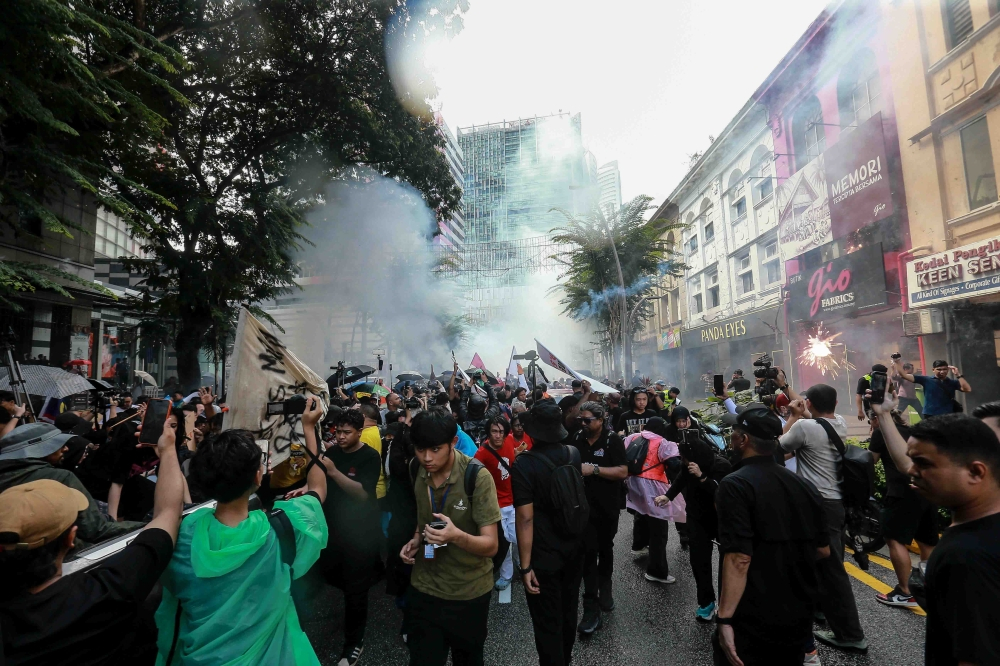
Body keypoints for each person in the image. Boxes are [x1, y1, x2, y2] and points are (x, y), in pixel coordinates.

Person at [155, 397, 329, 665]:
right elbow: (318, 489)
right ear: (259, 477)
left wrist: (167, 453)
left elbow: (165, 512)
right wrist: (308, 427)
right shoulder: (281, 528)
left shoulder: (184, 533)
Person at [0, 414, 183, 664]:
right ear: (70, 538)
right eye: (57, 444)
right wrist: (168, 451)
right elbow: (166, 516)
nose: (65, 448)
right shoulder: (106, 591)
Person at [870, 405, 1000, 666]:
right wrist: (884, 415)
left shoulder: (965, 557)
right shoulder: (975, 529)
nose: (912, 471)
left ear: (977, 471)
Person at [714, 407, 830, 666]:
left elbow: (739, 559)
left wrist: (724, 618)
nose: (731, 436)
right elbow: (823, 551)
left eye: (734, 432)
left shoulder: (734, 485)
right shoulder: (805, 486)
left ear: (743, 440)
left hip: (753, 614)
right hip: (797, 614)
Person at [400, 409, 500, 666]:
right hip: (425, 588)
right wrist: (416, 540)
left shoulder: (476, 477)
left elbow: (491, 545)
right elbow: (423, 518)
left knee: (468, 659)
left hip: (468, 593)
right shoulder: (415, 468)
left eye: (435, 449)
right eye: (420, 449)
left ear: (453, 443)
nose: (427, 458)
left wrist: (455, 536)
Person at [779, 385, 867, 654]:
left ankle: (851, 634)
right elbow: (815, 418)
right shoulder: (838, 422)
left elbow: (778, 447)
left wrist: (793, 416)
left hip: (818, 506)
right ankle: (819, 610)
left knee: (832, 570)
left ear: (808, 403)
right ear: (837, 401)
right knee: (823, 561)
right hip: (837, 504)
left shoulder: (805, 428)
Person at [513, 401, 587, 666]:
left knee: (547, 621)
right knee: (569, 612)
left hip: (544, 555)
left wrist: (525, 566)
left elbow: (525, 518)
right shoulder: (572, 453)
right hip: (574, 547)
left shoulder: (523, 465)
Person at [0, 422, 143, 549]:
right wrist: (149, 527)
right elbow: (97, 530)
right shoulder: (61, 478)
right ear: (40, 451)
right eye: (57, 445)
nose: (66, 449)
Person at [320, 408, 383, 666]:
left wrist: (335, 472)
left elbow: (362, 494)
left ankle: (354, 643)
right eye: (338, 431)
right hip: (333, 531)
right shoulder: (332, 453)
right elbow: (319, 483)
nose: (341, 436)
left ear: (360, 432)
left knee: (356, 592)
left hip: (360, 534)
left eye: (347, 432)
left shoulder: (370, 456)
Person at [664, 408, 732, 622]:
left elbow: (721, 493)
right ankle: (706, 602)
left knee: (726, 562)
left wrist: (702, 478)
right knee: (699, 561)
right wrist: (667, 496)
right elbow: (680, 481)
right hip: (696, 517)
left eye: (684, 458)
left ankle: (726, 603)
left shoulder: (721, 465)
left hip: (719, 518)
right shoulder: (687, 466)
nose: (682, 461)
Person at [866, 405, 937, 608]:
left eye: (872, 421)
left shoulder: (881, 433)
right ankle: (928, 587)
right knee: (927, 542)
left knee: (895, 540)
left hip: (900, 493)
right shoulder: (914, 431)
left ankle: (906, 592)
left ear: (876, 418)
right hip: (925, 491)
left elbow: (871, 460)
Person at [570, 401, 627, 635]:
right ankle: (590, 606)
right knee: (587, 551)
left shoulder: (612, 440)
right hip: (583, 509)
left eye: (587, 420)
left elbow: (623, 471)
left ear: (601, 420)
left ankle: (606, 587)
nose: (583, 424)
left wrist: (593, 469)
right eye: (580, 420)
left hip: (608, 507)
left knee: (605, 548)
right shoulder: (576, 439)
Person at [624, 417, 684, 584]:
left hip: (632, 483)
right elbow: (674, 465)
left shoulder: (633, 437)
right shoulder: (664, 443)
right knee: (659, 529)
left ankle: (638, 545)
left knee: (641, 513)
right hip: (653, 486)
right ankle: (656, 571)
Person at [474, 416, 520, 591]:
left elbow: (514, 455)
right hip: (496, 504)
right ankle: (506, 574)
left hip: (514, 500)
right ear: (488, 432)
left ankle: (521, 563)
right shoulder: (481, 454)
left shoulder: (509, 440)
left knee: (518, 537)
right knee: (505, 541)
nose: (498, 435)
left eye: (501, 431)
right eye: (494, 431)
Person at [892, 357, 970, 417]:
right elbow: (904, 375)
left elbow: (967, 389)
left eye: (944, 369)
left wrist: (958, 375)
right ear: (933, 370)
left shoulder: (952, 382)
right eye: (939, 369)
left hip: (948, 415)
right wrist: (897, 362)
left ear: (948, 370)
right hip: (930, 415)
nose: (942, 371)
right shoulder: (926, 380)